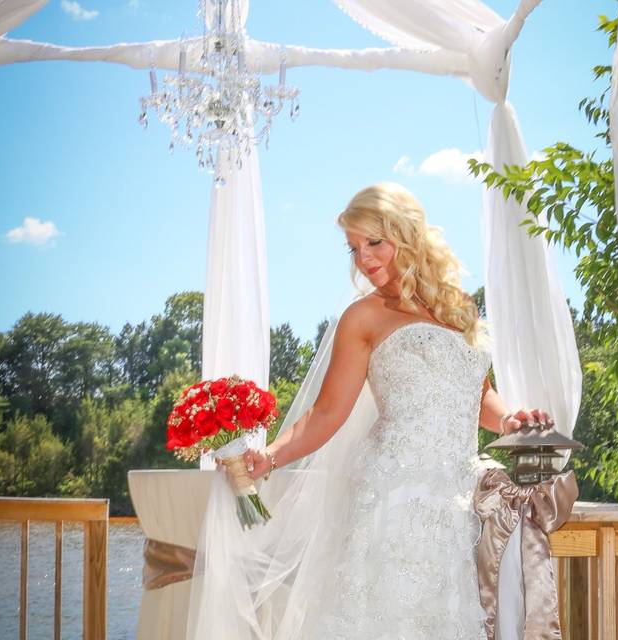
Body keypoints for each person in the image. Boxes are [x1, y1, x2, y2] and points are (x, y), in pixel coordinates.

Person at [215, 182, 552, 639]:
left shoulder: (459, 309)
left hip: (456, 503)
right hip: (394, 494)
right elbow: (328, 411)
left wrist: (510, 420)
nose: (364, 258)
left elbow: (476, 395)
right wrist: (270, 456)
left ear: (407, 234)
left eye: (374, 241)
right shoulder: (364, 317)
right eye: (353, 248)